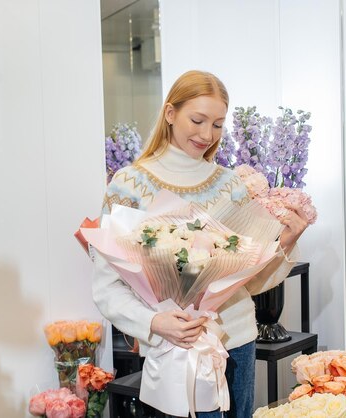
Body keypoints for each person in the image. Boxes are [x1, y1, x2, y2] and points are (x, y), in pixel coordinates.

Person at [92, 70, 308, 417]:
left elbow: (250, 282)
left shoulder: (231, 184)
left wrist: (286, 240)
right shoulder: (129, 184)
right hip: (170, 346)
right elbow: (107, 286)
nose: (207, 135)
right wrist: (153, 322)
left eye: (218, 124)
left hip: (236, 343)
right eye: (198, 120)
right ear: (170, 113)